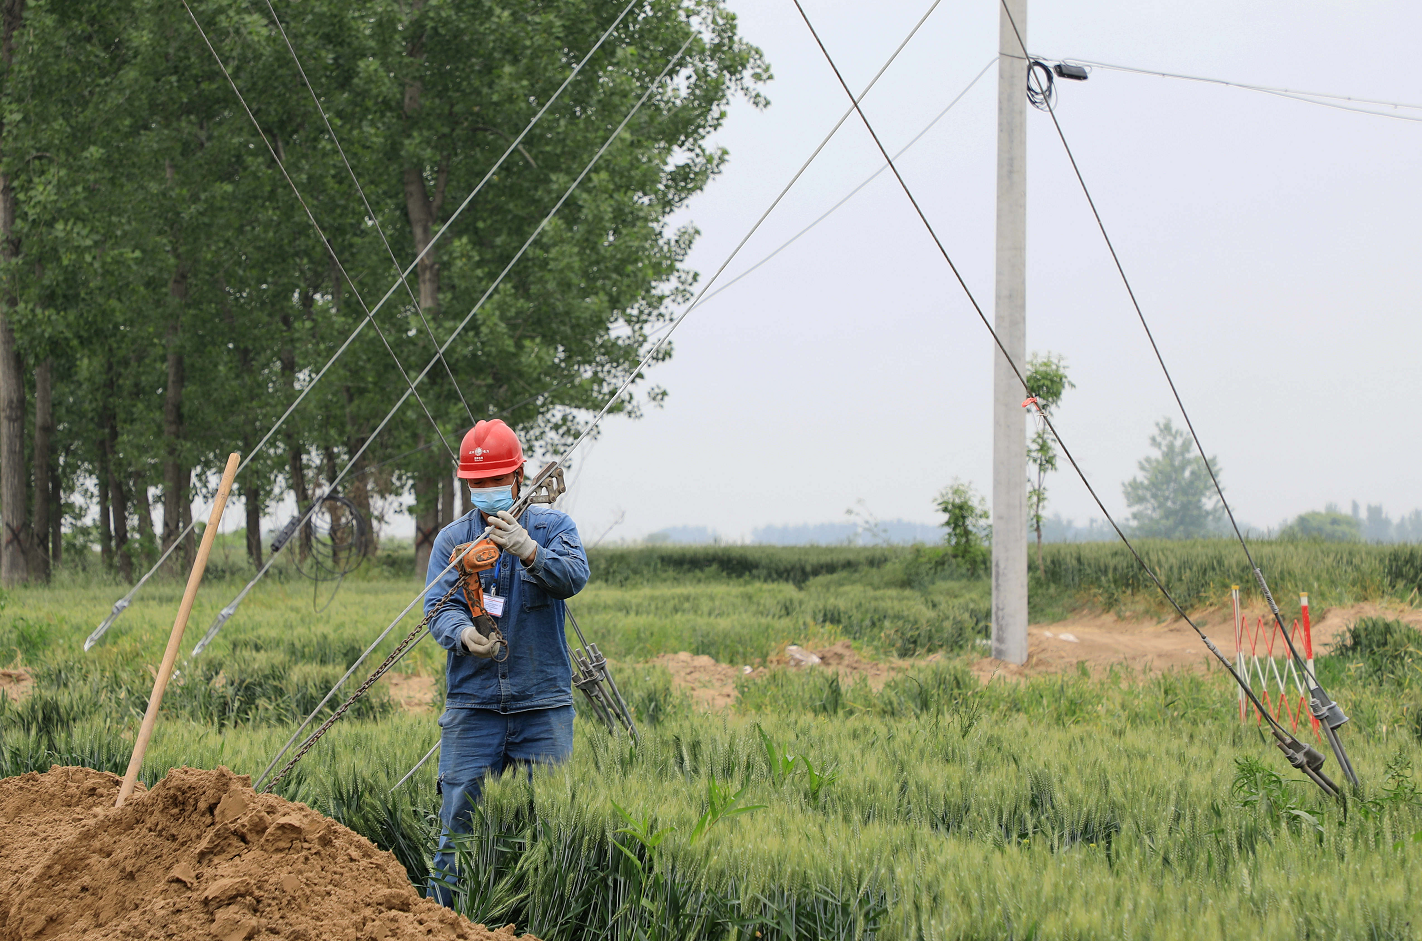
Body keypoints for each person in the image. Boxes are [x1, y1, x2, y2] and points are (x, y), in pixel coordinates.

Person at [422, 419, 588, 907]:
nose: (488, 491)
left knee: (548, 824)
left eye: (497, 480)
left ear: (518, 476)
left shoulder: (553, 528)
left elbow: (574, 576)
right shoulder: (452, 542)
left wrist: (530, 552)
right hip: (474, 708)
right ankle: (441, 925)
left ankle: (538, 920)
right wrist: (464, 635)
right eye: (478, 484)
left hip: (543, 706)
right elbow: (438, 607)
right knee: (458, 827)